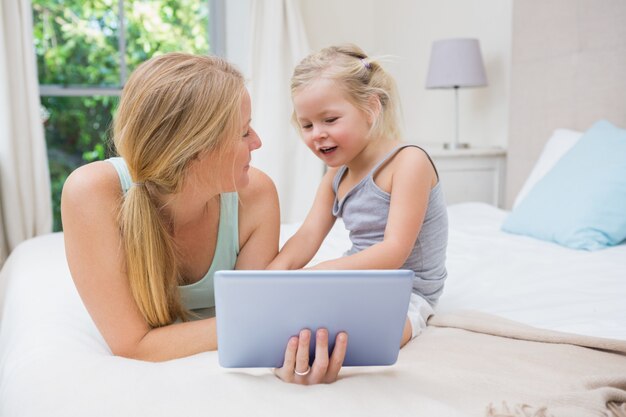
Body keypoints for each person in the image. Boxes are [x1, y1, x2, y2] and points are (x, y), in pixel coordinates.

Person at [61, 52, 346, 384]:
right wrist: (268, 328)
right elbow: (133, 346)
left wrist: (286, 349)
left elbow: (249, 314)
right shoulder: (91, 192)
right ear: (194, 148)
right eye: (243, 133)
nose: (257, 142)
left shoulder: (257, 196)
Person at [268, 44, 448, 345]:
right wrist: (272, 276)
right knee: (289, 326)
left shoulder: (408, 162)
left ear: (371, 108)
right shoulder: (334, 178)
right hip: (357, 280)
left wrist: (319, 274)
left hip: (407, 290)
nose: (317, 134)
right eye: (307, 125)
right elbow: (306, 237)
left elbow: (393, 251)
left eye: (330, 120)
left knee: (363, 340)